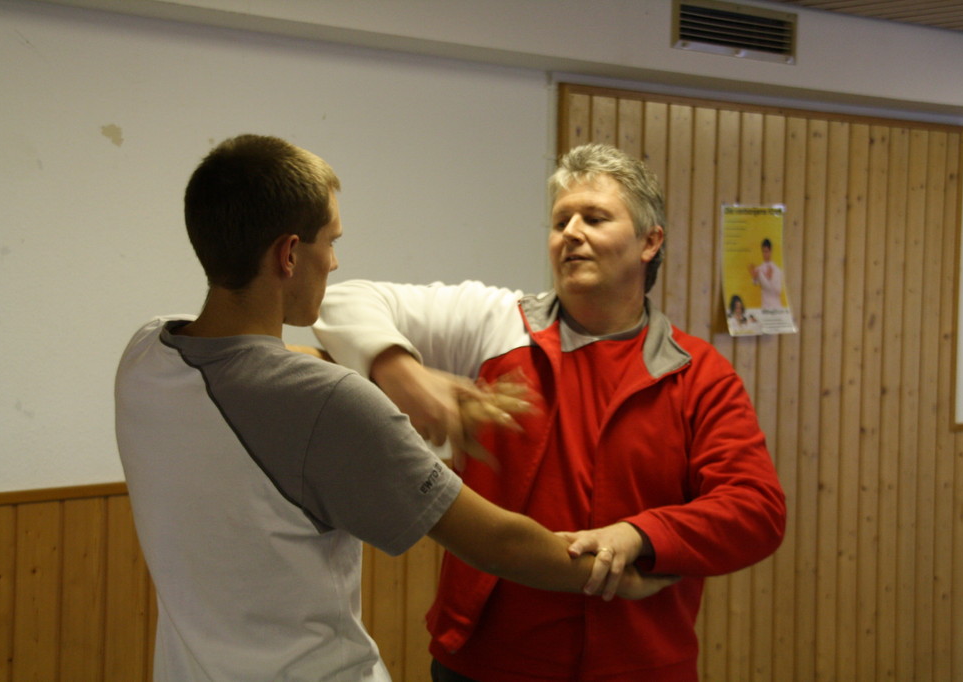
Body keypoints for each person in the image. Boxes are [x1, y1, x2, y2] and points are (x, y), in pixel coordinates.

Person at [113, 135, 669, 682]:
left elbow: (252, 367)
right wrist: (622, 575)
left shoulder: (145, 352)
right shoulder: (327, 401)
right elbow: (500, 543)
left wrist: (396, 370)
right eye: (330, 241)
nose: (334, 262)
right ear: (288, 254)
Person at [313, 143, 787, 681]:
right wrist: (405, 376)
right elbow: (342, 301)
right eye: (562, 220)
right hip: (484, 664)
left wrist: (640, 535)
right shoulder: (498, 321)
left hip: (639, 665)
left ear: (649, 241)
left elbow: (756, 510)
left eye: (595, 218)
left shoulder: (697, 373)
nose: (572, 233)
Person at [748, 237, 784, 309]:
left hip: (776, 307)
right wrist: (755, 276)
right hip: (765, 306)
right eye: (763, 251)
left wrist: (769, 278)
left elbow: (778, 291)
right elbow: (754, 282)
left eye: (767, 251)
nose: (765, 254)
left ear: (770, 251)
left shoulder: (777, 270)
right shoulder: (759, 269)